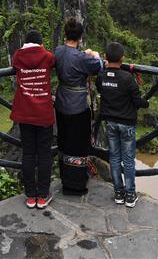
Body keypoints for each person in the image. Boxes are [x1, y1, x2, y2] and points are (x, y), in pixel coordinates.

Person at [53, 17, 104, 195]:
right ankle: (76, 184)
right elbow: (99, 67)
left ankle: (65, 179)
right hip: (77, 106)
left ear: (66, 34)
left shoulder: (58, 51)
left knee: (64, 141)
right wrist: (95, 55)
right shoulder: (82, 58)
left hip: (60, 102)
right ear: (80, 36)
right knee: (78, 144)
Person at [96, 42, 149, 208]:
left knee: (114, 157)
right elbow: (137, 101)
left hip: (110, 122)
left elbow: (101, 89)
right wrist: (146, 103)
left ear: (105, 57)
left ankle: (118, 192)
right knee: (128, 160)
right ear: (122, 58)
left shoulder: (101, 76)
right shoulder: (128, 79)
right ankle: (130, 194)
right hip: (127, 124)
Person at [9, 29, 57, 209]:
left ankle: (31, 196)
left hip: (24, 112)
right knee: (44, 155)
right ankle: (43, 196)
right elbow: (53, 59)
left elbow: (15, 64)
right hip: (43, 112)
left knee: (28, 154)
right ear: (40, 43)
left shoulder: (18, 56)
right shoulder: (47, 56)